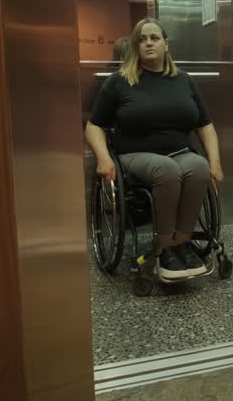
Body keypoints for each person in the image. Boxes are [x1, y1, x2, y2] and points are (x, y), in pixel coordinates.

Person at [85, 18, 224, 281]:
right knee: (166, 170)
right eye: (141, 39)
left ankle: (181, 241)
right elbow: (94, 126)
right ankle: (164, 248)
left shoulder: (183, 80)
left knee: (199, 167)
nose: (148, 43)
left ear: (166, 44)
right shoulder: (120, 81)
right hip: (135, 155)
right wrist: (103, 158)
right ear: (135, 46)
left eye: (154, 38)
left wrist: (215, 162)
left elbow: (205, 126)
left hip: (181, 152)